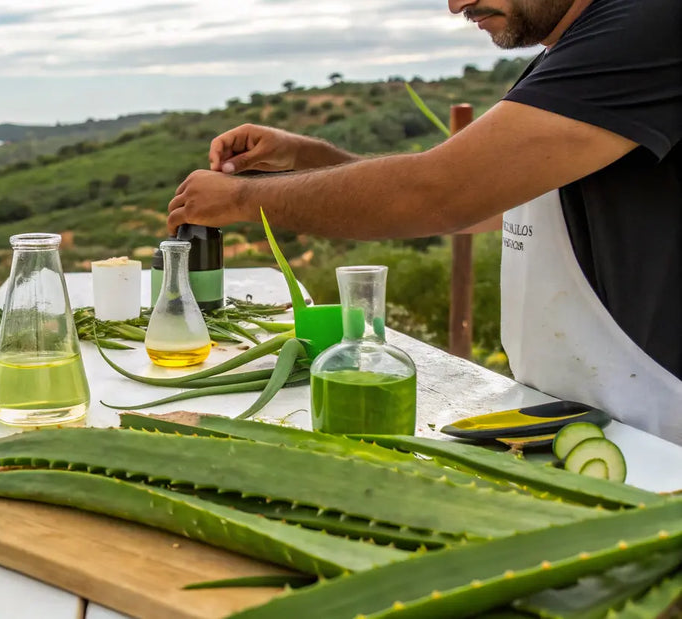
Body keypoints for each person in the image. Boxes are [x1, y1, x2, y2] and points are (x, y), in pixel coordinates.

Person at [168, 0, 682, 443]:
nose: (458, 5)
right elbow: (492, 198)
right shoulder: (578, 47)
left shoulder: (648, 25)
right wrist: (309, 159)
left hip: (660, 431)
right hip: (597, 417)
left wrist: (245, 199)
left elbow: (442, 191)